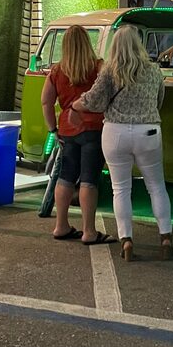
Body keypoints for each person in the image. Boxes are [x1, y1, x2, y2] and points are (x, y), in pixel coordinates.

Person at [70, 25, 172, 262]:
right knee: (156, 187)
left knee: (121, 189)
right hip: (148, 132)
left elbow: (94, 100)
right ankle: (166, 238)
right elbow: (159, 100)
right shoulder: (154, 70)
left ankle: (126, 241)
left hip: (115, 133)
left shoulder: (109, 71)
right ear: (138, 45)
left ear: (115, 45)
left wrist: (75, 106)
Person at [40, 25, 111, 245]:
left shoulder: (57, 70)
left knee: (66, 177)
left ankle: (61, 225)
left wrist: (53, 129)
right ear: (87, 43)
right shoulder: (98, 66)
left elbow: (46, 101)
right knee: (89, 180)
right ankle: (89, 231)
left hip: (66, 132)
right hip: (93, 130)